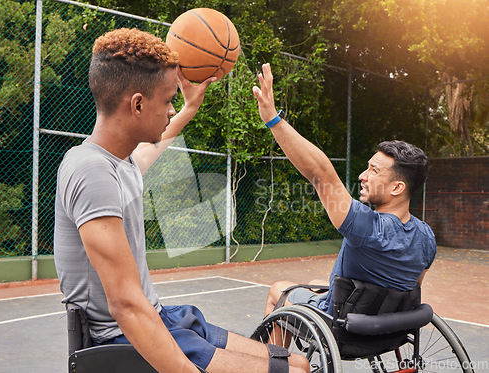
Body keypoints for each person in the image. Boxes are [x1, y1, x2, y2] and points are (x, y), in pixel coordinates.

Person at [54, 29, 309, 373]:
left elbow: (152, 148)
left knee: (297, 362)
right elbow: (126, 305)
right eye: (168, 99)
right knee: (296, 371)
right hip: (124, 338)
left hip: (161, 317)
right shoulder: (90, 172)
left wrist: (189, 107)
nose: (171, 107)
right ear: (138, 104)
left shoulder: (119, 161)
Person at [252, 63, 437, 318]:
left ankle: (281, 360)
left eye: (373, 170)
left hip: (342, 326)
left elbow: (321, 174)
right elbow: (409, 287)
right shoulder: (426, 237)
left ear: (397, 187)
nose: (362, 176)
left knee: (278, 290)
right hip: (386, 326)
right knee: (320, 281)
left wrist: (273, 119)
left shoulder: (368, 228)